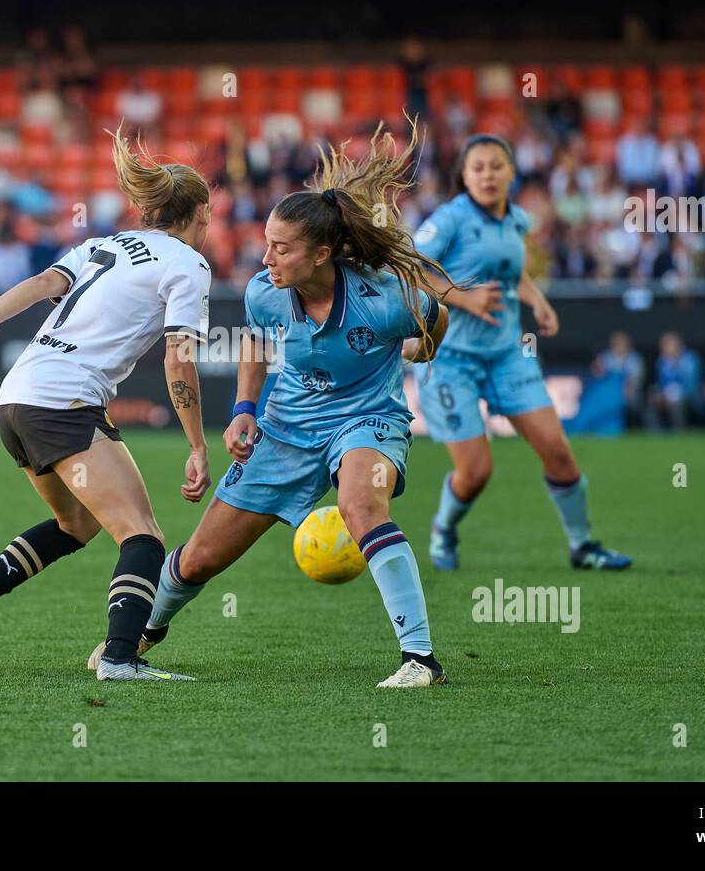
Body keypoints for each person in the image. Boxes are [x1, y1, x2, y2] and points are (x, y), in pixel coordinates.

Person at [91, 124, 455, 689]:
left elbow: (435, 318)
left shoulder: (382, 299)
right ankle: (138, 636)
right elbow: (257, 347)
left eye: (281, 248)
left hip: (368, 421)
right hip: (285, 428)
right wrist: (243, 410)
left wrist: (417, 349)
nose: (267, 257)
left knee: (362, 507)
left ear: (323, 254)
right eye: (267, 242)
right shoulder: (265, 290)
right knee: (199, 560)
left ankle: (420, 659)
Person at [0, 129, 214, 683]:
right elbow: (179, 360)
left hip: (16, 398)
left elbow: (40, 283)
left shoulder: (102, 245)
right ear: (200, 212)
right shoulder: (187, 265)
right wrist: (198, 445)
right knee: (142, 535)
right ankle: (119, 658)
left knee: (75, 523)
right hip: (64, 403)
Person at [412, 134, 630, 572]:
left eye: (496, 166)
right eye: (478, 167)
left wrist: (537, 300)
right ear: (465, 176)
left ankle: (583, 546)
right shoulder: (449, 219)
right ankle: (443, 529)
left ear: (511, 172)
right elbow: (412, 268)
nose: (487, 174)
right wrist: (462, 296)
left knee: (559, 452)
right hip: (450, 359)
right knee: (475, 473)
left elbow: (512, 271)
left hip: (508, 355)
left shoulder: (516, 220)